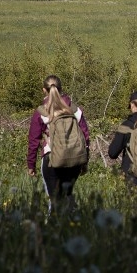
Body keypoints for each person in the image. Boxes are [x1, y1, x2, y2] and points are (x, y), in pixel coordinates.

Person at [26, 74, 90, 211]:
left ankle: (54, 229)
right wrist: (85, 161)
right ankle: (72, 227)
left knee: (55, 202)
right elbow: (85, 136)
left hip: (51, 158)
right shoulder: (74, 109)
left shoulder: (42, 112)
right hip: (74, 159)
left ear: (44, 90)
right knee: (67, 197)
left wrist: (31, 165)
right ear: (61, 89)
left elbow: (33, 140)